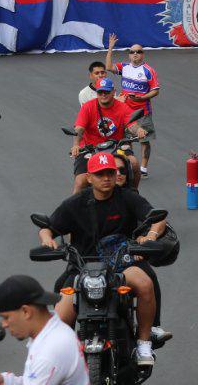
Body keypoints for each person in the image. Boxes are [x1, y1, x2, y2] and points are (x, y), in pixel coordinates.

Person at [39, 153, 167, 366]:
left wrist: (150, 236)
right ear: (89, 177)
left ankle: (144, 344)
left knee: (145, 283)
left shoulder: (127, 197)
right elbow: (48, 227)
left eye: (110, 173)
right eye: (100, 174)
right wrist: (46, 239)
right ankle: (61, 359)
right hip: (83, 268)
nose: (106, 178)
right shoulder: (75, 203)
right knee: (60, 314)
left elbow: (158, 218)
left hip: (122, 264)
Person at [0, 275, 88, 385]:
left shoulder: (49, 351)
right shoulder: (52, 333)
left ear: (26, 312)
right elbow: (33, 379)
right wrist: (5, 380)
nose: (4, 324)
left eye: (6, 317)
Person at [70, 77, 145, 193]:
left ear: (114, 92)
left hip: (116, 147)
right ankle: (73, 210)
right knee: (80, 182)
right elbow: (79, 128)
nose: (103, 95)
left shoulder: (123, 107)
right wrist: (76, 145)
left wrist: (139, 130)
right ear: (97, 93)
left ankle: (134, 193)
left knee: (134, 163)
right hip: (90, 149)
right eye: (100, 92)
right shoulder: (88, 107)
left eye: (107, 92)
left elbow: (132, 125)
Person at [104, 33, 159, 177]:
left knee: (144, 141)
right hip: (126, 112)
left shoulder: (148, 71)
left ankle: (143, 168)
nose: (135, 54)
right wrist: (110, 48)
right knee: (127, 140)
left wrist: (142, 98)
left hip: (143, 112)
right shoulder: (124, 67)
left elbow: (155, 90)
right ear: (129, 55)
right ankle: (129, 165)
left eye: (138, 52)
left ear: (143, 54)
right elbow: (108, 67)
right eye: (132, 52)